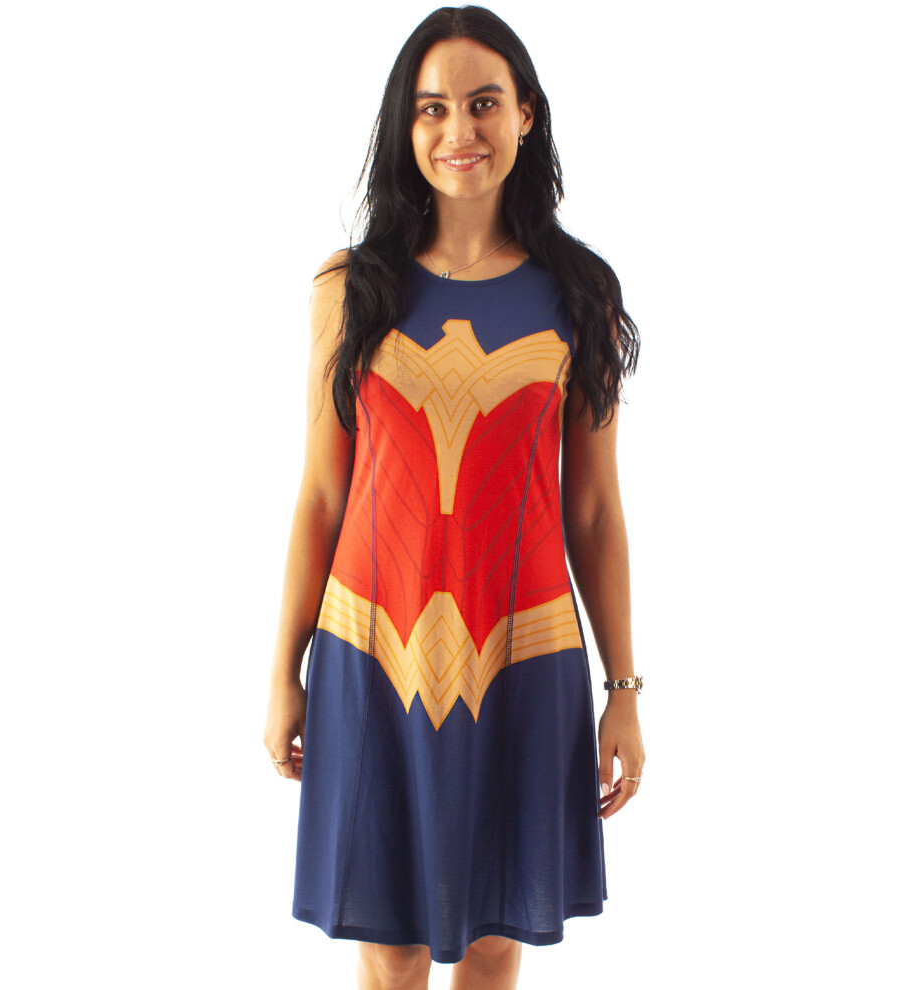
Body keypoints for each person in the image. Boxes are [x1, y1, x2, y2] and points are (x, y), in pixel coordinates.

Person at [263, 6, 644, 988]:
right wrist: (283, 670)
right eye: (432, 108)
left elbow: (594, 511)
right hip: (369, 649)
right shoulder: (351, 288)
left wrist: (624, 691)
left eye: (483, 103)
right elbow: (321, 495)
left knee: (492, 937)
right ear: (406, 125)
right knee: (388, 945)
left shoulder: (580, 294)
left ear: (526, 115)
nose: (458, 130)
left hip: (525, 654)